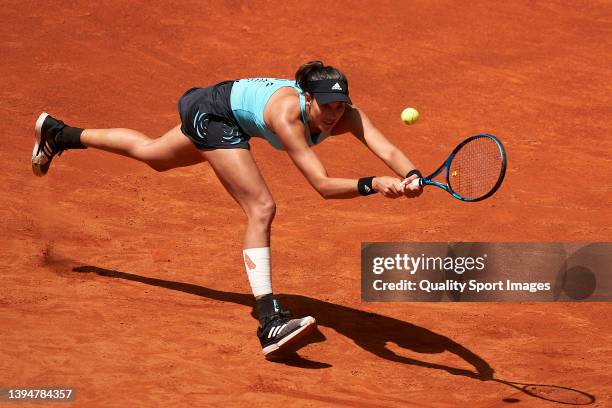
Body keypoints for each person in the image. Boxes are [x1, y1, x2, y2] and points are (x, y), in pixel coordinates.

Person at [31, 61, 423, 357]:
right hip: (215, 114)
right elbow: (321, 185)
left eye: (341, 105)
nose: (335, 113)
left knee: (154, 154)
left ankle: (60, 134)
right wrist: (374, 184)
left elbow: (385, 147)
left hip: (223, 105)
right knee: (261, 207)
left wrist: (411, 174)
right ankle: (269, 319)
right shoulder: (287, 115)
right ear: (306, 98)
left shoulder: (347, 116)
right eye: (327, 105)